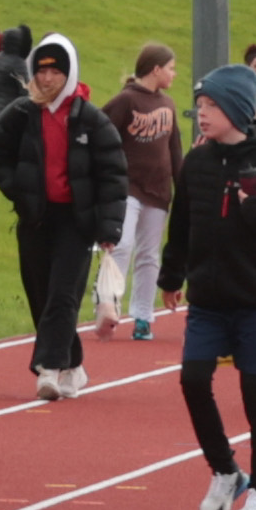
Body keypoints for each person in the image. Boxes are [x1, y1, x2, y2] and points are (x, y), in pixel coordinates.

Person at [163, 66, 256, 510]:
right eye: (200, 107)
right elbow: (181, 223)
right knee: (192, 380)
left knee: (255, 388)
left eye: (211, 107)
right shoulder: (197, 162)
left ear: (238, 112)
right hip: (207, 297)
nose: (201, 114)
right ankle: (225, 469)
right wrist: (172, 275)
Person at [0, 36, 121, 399]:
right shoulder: (20, 114)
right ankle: (73, 364)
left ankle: (47, 368)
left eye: (55, 71)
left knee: (63, 294)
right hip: (35, 218)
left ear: (70, 73)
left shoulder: (92, 120)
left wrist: (109, 227)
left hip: (75, 222)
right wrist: (18, 191)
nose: (47, 78)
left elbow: (113, 174)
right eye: (41, 70)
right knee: (40, 294)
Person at [100, 43, 182, 342]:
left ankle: (143, 317)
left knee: (149, 255)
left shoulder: (169, 105)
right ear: (156, 69)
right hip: (128, 187)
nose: (174, 73)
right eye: (171, 68)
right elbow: (101, 133)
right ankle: (108, 306)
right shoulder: (126, 100)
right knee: (122, 245)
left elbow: (174, 150)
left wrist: (181, 185)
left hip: (158, 191)